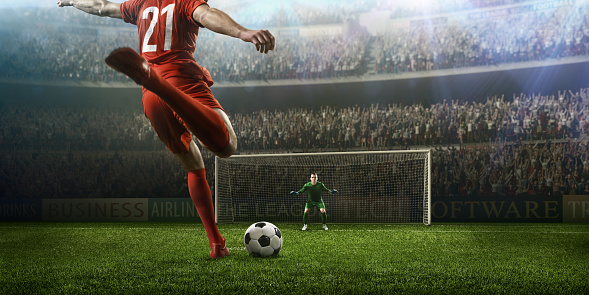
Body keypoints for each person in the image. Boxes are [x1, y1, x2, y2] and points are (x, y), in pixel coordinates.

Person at [57, 0, 275, 259]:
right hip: (180, 78)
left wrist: (72, 1)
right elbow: (207, 15)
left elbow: (102, 6)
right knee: (227, 145)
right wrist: (243, 32)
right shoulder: (184, 1)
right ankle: (161, 84)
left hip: (149, 98)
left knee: (194, 165)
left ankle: (217, 244)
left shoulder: (140, 5)